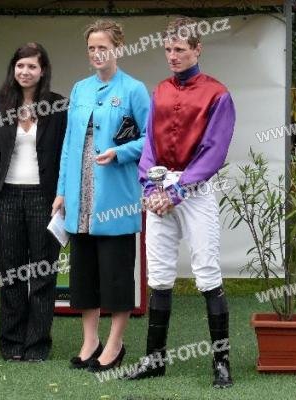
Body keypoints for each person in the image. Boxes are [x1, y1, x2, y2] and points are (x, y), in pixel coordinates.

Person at [126, 17, 235, 388]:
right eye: (168, 50)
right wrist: (149, 188)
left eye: (179, 49)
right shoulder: (159, 90)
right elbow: (149, 144)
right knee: (158, 276)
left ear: (197, 49)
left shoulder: (217, 94)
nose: (172, 56)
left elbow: (214, 151)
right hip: (159, 188)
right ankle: (154, 360)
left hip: (194, 190)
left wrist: (176, 192)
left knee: (207, 273)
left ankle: (221, 363)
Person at [52, 19, 150, 372]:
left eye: (103, 47)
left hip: (115, 198)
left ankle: (115, 343)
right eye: (91, 48)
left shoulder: (135, 90)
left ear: (118, 48)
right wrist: (61, 191)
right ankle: (90, 340)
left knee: (117, 275)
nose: (97, 54)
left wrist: (119, 153)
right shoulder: (80, 89)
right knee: (84, 276)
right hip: (79, 197)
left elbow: (150, 140)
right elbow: (68, 144)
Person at [0, 43, 67, 361]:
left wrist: (64, 195)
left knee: (42, 273)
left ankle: (37, 344)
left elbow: (66, 154)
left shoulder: (57, 105)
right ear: (13, 69)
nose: (25, 72)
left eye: (32, 66)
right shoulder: (2, 104)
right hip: (6, 197)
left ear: (42, 71)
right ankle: (11, 342)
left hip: (45, 198)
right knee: (12, 272)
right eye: (20, 66)